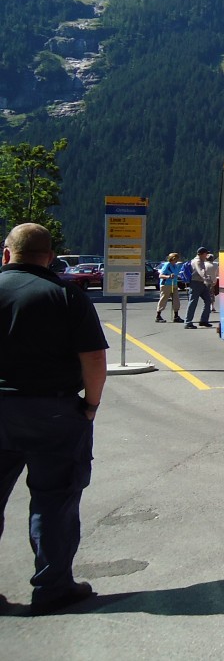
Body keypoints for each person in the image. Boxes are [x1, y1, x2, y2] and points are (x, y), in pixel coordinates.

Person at [0, 223, 108, 613]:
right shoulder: (66, 295)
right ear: (49, 258)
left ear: (6, 254)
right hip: (54, 412)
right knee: (54, 501)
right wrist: (90, 405)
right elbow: (93, 358)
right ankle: (52, 588)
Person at [183, 247, 216, 330]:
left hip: (201, 283)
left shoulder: (199, 260)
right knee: (193, 302)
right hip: (195, 283)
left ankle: (204, 320)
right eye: (206, 253)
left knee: (208, 300)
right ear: (202, 254)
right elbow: (201, 272)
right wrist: (207, 279)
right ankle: (188, 322)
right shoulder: (197, 261)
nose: (207, 255)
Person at [154, 252, 186, 323]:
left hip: (174, 284)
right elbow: (160, 275)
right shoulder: (167, 265)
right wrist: (168, 276)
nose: (177, 260)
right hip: (166, 284)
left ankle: (176, 316)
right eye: (176, 258)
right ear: (173, 258)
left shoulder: (175, 266)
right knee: (164, 299)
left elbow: (177, 274)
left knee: (176, 300)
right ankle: (158, 316)